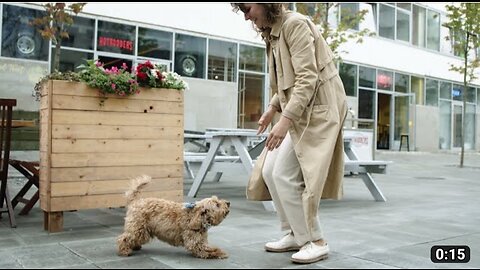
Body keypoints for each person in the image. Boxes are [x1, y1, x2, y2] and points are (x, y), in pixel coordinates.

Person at [232, 3, 348, 264]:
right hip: (301, 108)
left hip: (317, 109)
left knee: (283, 173)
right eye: (241, 10)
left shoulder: (294, 24)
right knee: (270, 170)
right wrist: (273, 108)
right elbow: (288, 79)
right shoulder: (274, 30)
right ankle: (295, 234)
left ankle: (315, 241)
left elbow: (307, 78)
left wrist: (284, 122)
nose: (246, 15)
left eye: (247, 8)